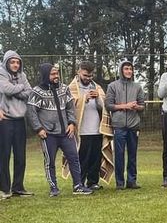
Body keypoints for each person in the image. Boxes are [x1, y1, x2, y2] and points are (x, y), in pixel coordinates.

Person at [27, 63, 92, 196]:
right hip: (48, 134)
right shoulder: (36, 92)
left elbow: (70, 108)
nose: (56, 76)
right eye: (53, 74)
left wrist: (72, 123)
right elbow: (31, 112)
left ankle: (78, 185)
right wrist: (38, 129)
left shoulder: (64, 88)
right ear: (46, 75)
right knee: (49, 161)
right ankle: (54, 188)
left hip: (66, 133)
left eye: (57, 73)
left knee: (74, 158)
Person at [63, 61, 114, 189]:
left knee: (95, 158)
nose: (88, 78)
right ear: (78, 72)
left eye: (90, 76)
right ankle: (79, 182)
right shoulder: (72, 88)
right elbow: (68, 107)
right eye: (85, 75)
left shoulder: (97, 87)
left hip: (97, 129)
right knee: (82, 158)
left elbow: (105, 107)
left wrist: (98, 98)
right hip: (81, 131)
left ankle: (93, 182)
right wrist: (83, 99)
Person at [105, 60, 145, 190]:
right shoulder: (112, 86)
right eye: (126, 69)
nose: (129, 71)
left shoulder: (137, 87)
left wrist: (136, 107)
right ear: (121, 70)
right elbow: (109, 105)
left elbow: (143, 106)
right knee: (119, 155)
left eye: (131, 69)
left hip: (133, 126)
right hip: (119, 126)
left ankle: (132, 181)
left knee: (132, 155)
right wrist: (125, 106)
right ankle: (120, 183)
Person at [0, 50, 34, 198]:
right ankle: (4, 189)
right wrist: (21, 88)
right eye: (12, 62)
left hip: (20, 120)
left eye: (17, 62)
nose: (15, 64)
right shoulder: (1, 73)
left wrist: (16, 90)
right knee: (4, 155)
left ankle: (18, 187)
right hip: (5, 120)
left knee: (20, 155)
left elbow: (30, 92)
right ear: (7, 62)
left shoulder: (23, 75)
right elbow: (6, 90)